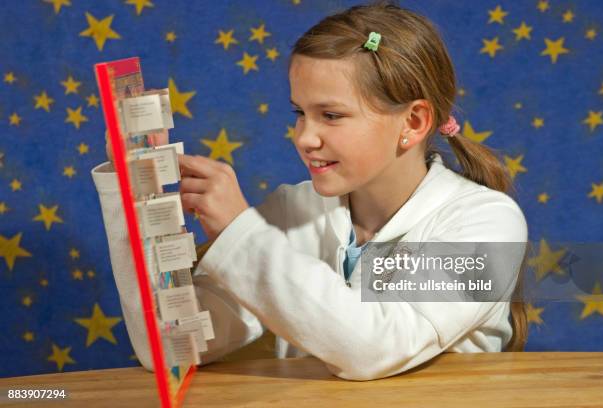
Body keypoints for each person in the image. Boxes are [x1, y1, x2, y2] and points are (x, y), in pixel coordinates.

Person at [92, 1, 528, 381]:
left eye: (332, 115)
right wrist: (131, 196)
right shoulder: (290, 210)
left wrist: (241, 232)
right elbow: (172, 349)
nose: (304, 137)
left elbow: (375, 348)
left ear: (412, 123)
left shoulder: (487, 220)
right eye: (300, 112)